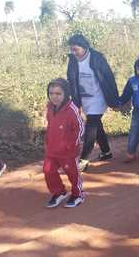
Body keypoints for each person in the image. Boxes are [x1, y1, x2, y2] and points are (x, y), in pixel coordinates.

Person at [66, 34, 118, 172]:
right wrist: (74, 100)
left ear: (85, 47)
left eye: (76, 49)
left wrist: (114, 98)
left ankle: (84, 159)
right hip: (84, 97)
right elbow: (71, 80)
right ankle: (106, 152)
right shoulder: (72, 60)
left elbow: (108, 77)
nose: (73, 52)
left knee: (91, 124)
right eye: (71, 50)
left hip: (99, 96)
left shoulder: (96, 57)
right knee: (96, 125)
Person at [43, 78, 85, 208]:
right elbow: (50, 125)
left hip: (68, 151)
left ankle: (78, 194)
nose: (54, 97)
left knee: (72, 174)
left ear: (66, 93)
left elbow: (80, 128)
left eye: (58, 93)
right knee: (48, 170)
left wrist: (71, 145)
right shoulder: (50, 107)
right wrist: (48, 141)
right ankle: (59, 192)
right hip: (52, 149)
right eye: (51, 93)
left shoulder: (72, 109)